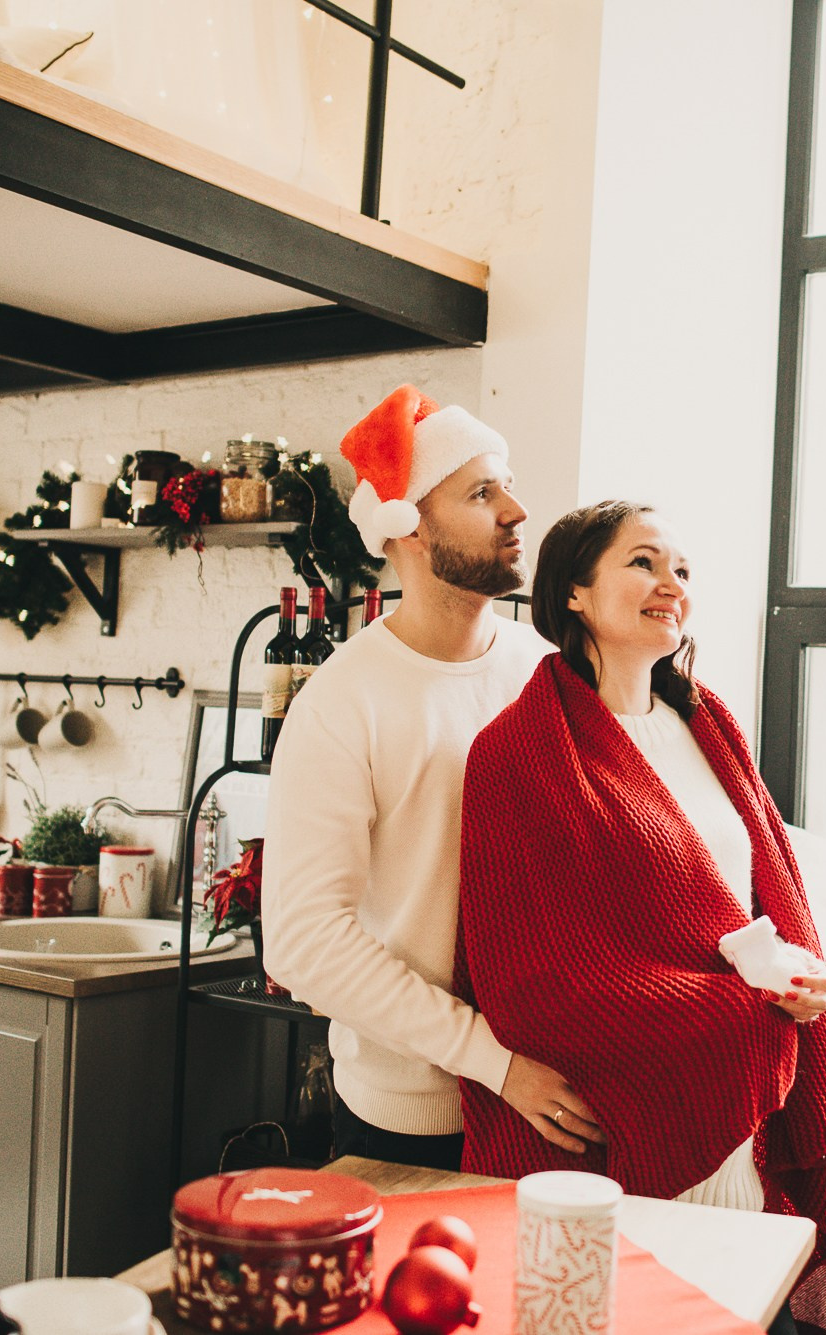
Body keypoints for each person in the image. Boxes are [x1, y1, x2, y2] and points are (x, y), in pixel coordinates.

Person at [454, 500, 826, 1262]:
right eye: (643, 562)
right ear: (575, 591)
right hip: (614, 1137)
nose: (672, 583)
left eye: (683, 570)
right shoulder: (515, 753)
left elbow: (764, 901)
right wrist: (746, 1016)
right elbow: (529, 979)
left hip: (741, 1132)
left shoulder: (709, 723)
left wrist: (804, 981)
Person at [260, 385, 606, 1172]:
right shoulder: (343, 702)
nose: (517, 510)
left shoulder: (547, 673)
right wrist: (493, 1061)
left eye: (508, 484)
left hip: (559, 1097)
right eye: (482, 493)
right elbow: (304, 941)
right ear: (409, 525)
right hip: (413, 1118)